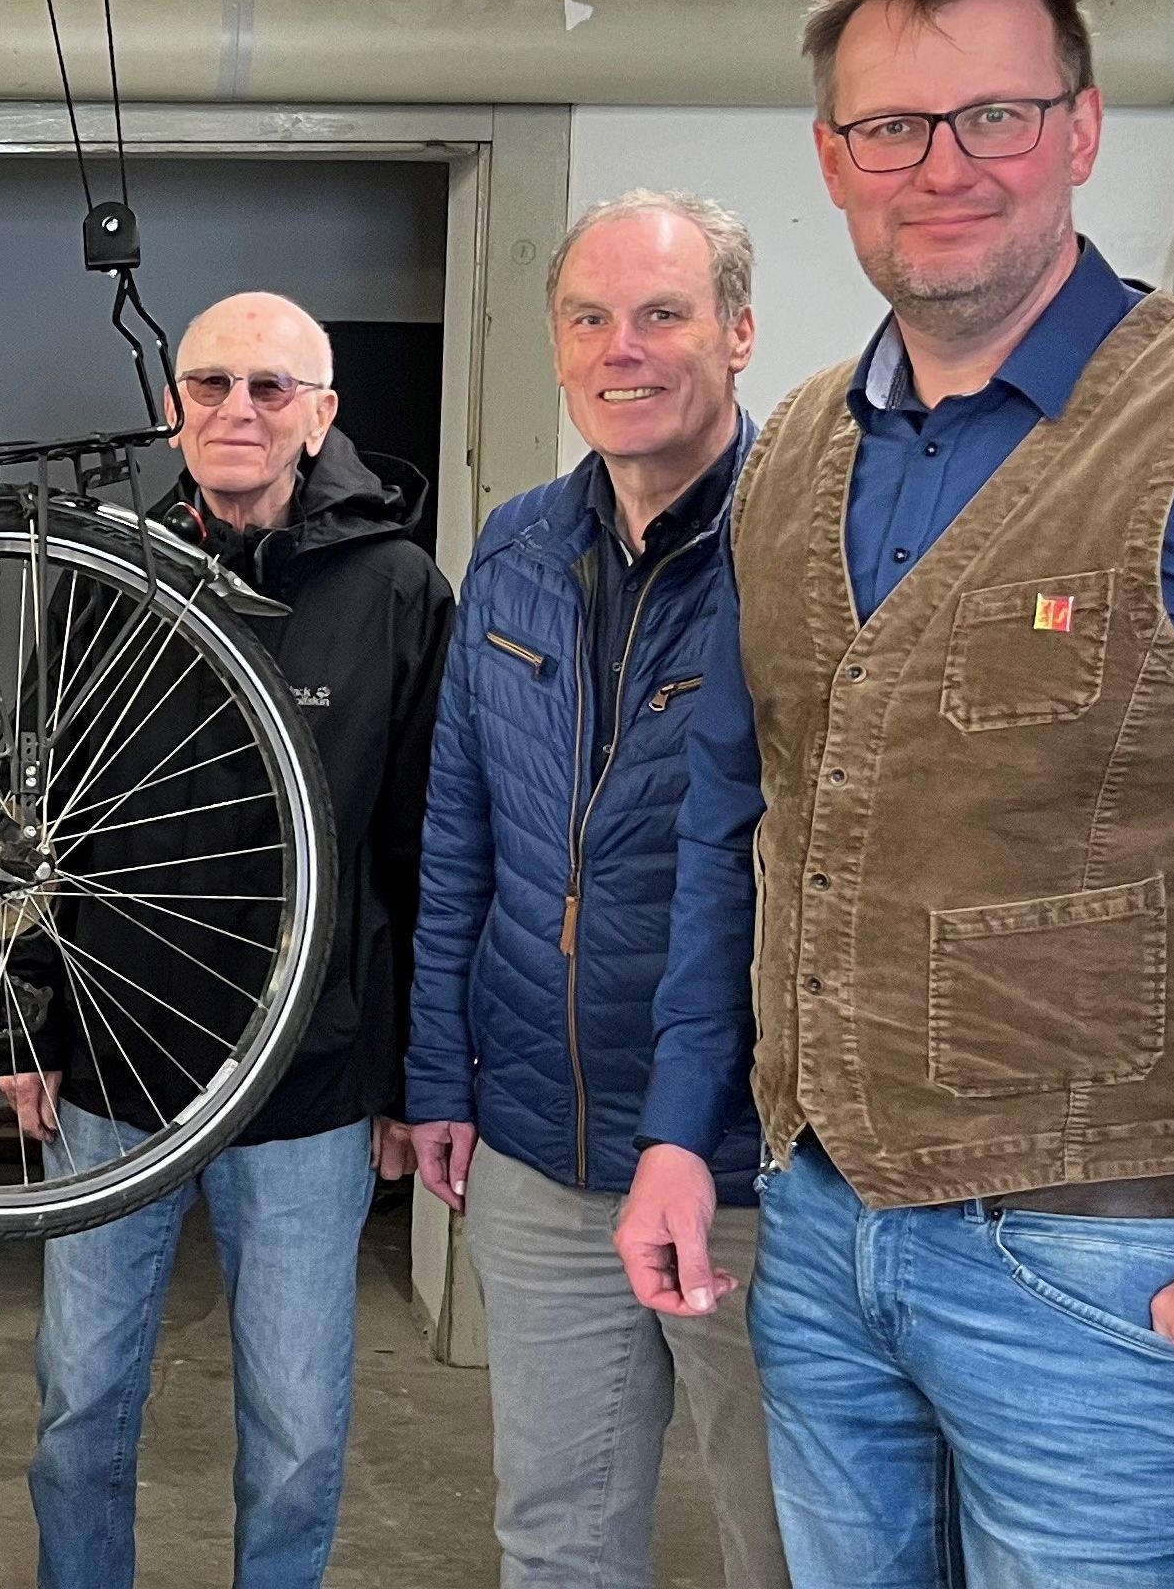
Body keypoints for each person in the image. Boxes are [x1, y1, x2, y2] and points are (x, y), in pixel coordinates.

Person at [614, 0, 1174, 1582]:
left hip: (1111, 1270)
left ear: (1077, 129)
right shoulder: (789, 451)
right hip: (819, 1228)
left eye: (994, 116)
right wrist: (674, 1125)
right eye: (892, 129)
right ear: (832, 162)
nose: (943, 167)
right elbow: (742, 817)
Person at [8, 290, 453, 1589]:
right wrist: (32, 1021)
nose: (234, 410)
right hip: (113, 1079)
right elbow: (42, 830)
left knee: (299, 1430)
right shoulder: (104, 580)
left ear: (321, 415)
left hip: (303, 1091)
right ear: (171, 408)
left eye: (268, 387)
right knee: (77, 1414)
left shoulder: (394, 590)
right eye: (207, 384)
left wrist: (406, 1076)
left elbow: (420, 850)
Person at [403, 195, 790, 1589]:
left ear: (737, 334)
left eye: (660, 315)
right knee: (554, 1538)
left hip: (749, 1170)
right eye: (589, 319)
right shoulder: (511, 547)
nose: (620, 350)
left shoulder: (801, 552)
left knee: (788, 1539)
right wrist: (441, 1072)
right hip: (537, 1149)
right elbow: (458, 833)